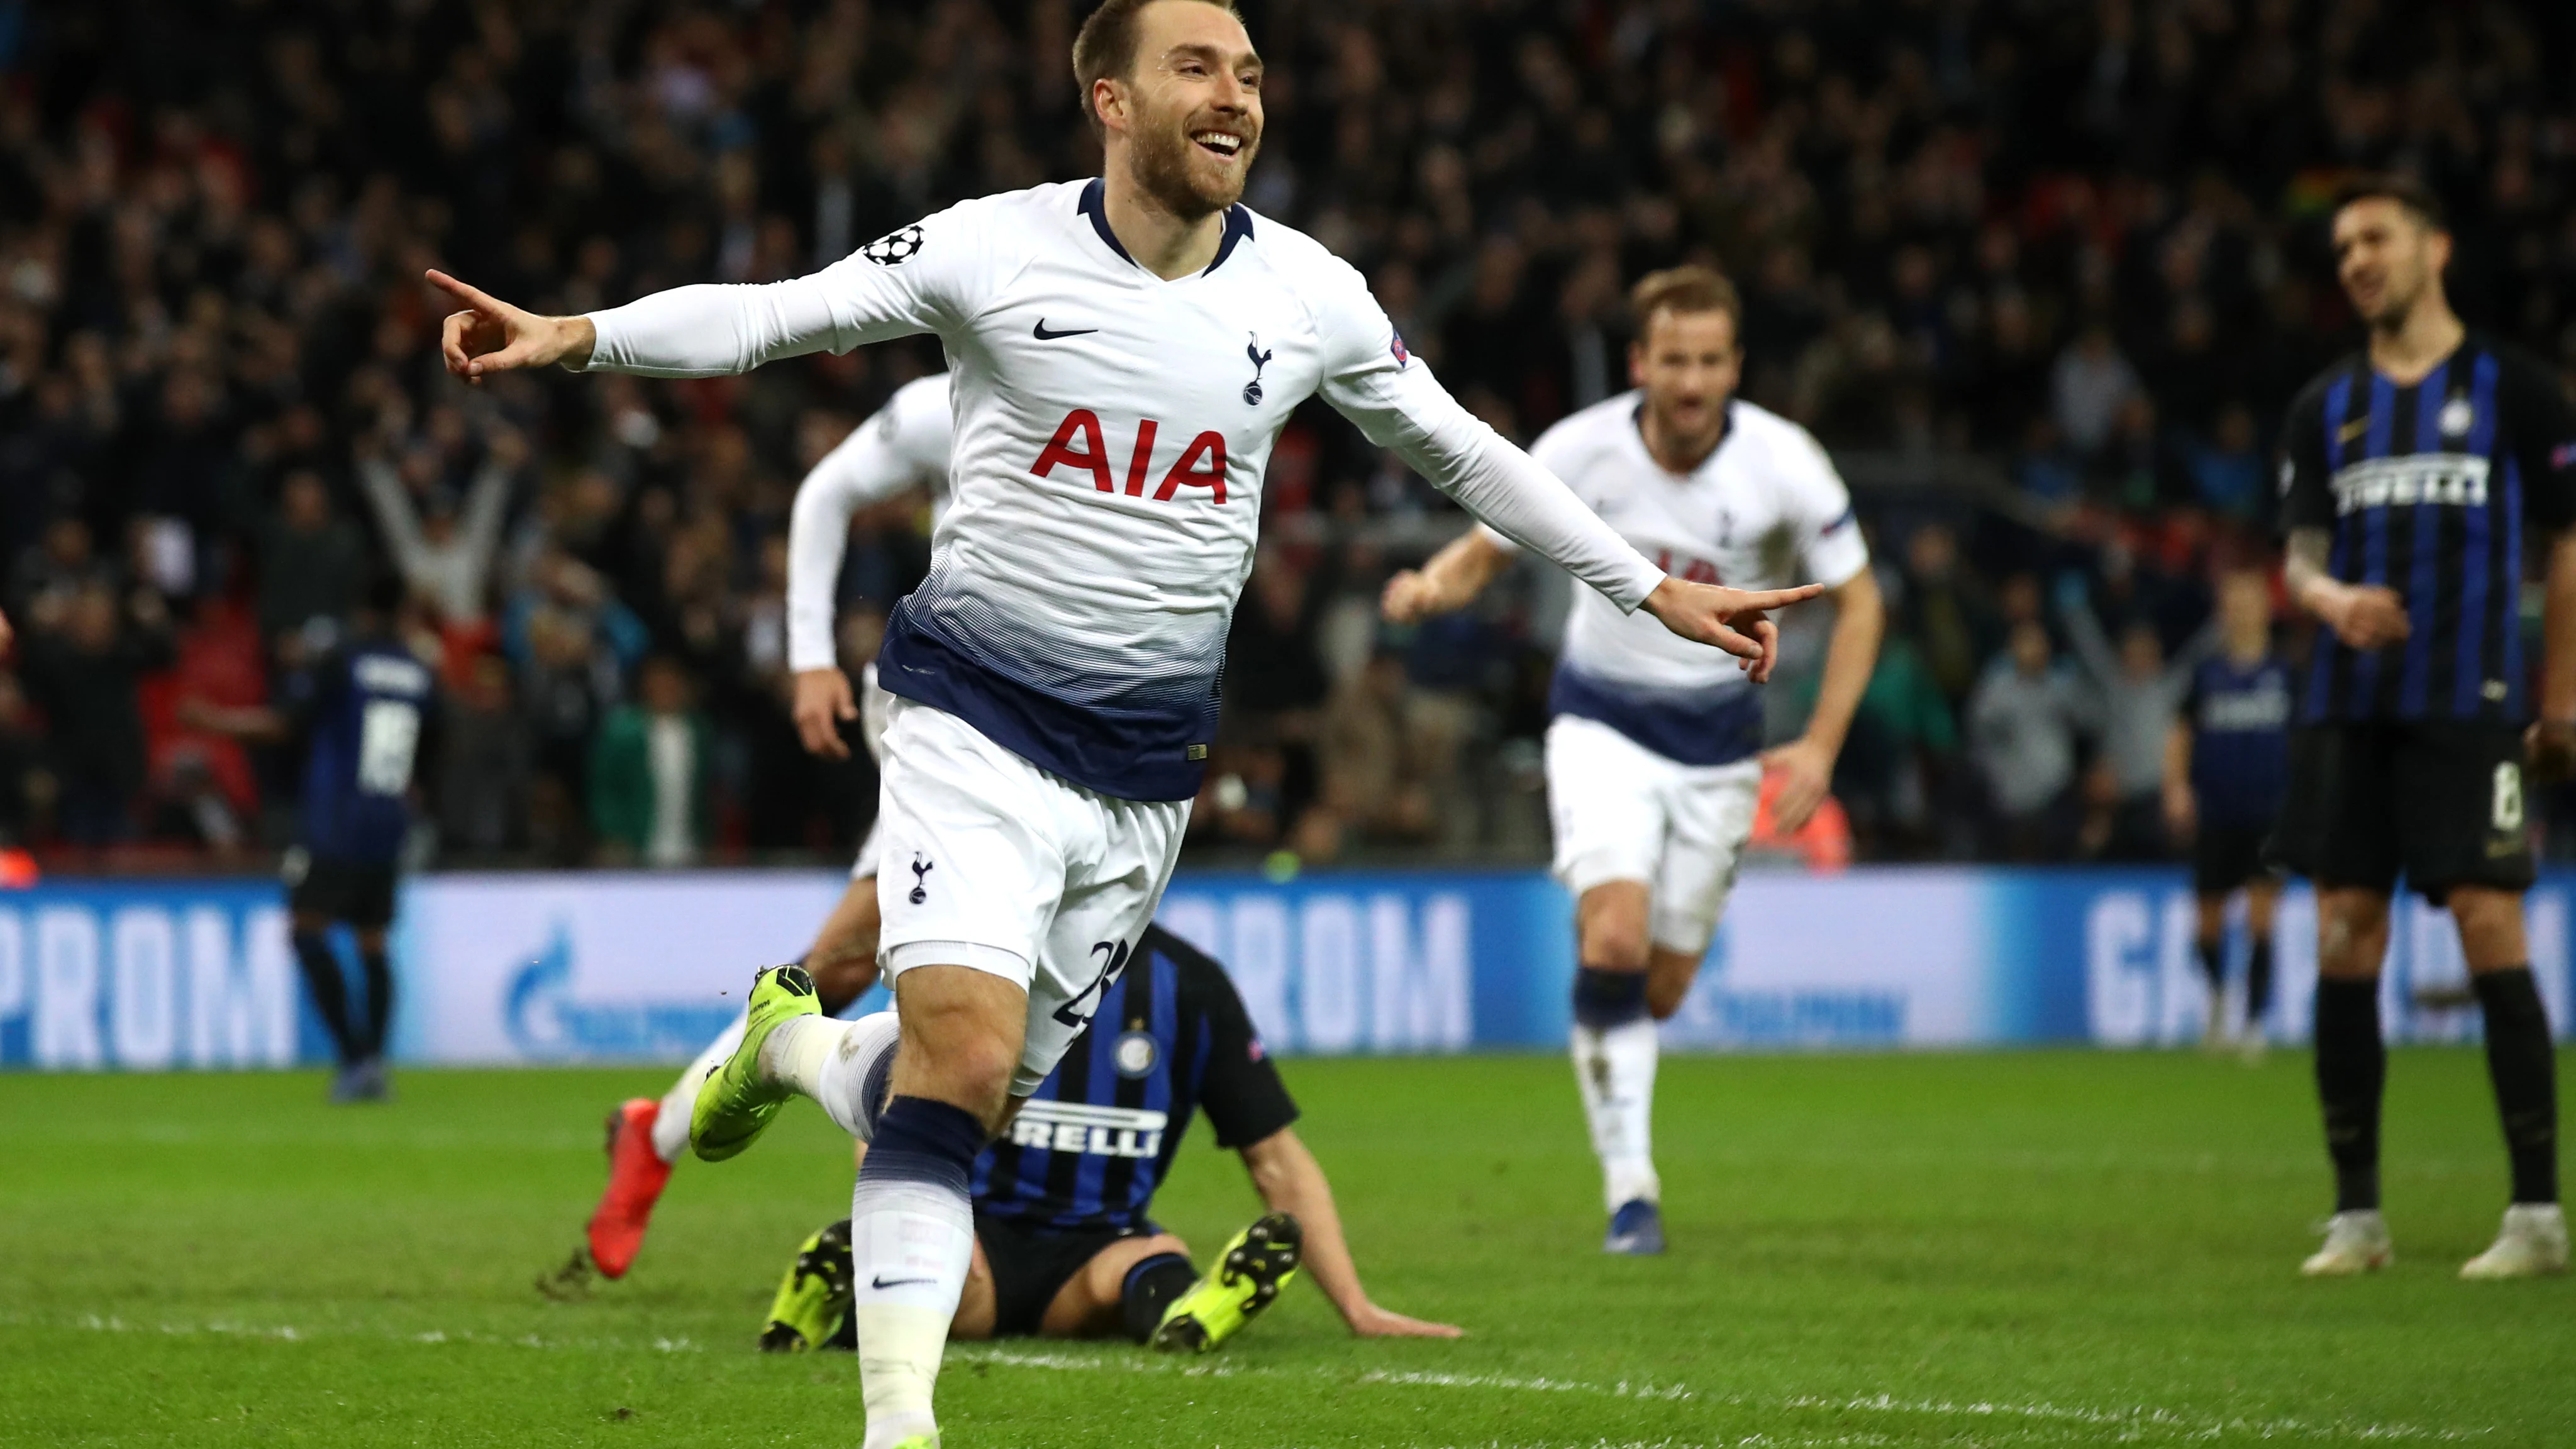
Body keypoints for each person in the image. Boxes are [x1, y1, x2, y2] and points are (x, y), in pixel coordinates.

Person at [433, 2, 1815, 1441]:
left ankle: (788, 1050)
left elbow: (1465, 453)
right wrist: (576, 336)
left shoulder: (1308, 295)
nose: (1238, 97)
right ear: (1110, 98)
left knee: (962, 1098)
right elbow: (774, 313)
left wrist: (1649, 587)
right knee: (962, 1062)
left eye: (1254, 75)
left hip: (1147, 771)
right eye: (1200, 69)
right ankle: (899, 1426)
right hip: (970, 711)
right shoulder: (994, 246)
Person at [1379, 265, 1883, 1255]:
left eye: (1710, 362)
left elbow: (1860, 599)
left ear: (1735, 366)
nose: (1691, 384)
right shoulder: (1584, 447)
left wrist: (1821, 743)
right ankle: (1630, 1192)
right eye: (1674, 361)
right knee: (1611, 940)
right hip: (1601, 722)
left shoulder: (1787, 464)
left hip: (1720, 746)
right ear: (1640, 362)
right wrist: (1434, 587)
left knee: (1656, 990)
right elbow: (1491, 542)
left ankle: (1625, 1118)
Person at [577, 374, 952, 1282]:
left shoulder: (1157, 376)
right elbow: (827, 488)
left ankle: (656, 1133)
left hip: (1069, 723)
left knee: (840, 966)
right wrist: (811, 656)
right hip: (954, 707)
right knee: (936, 964)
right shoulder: (958, 398)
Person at [2273, 174, 2575, 1280]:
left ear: (2433, 246)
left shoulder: (2518, 390)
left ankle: (2537, 1213)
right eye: (2344, 244)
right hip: (2348, 708)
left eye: (2376, 238)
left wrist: (2563, 699)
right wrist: (2328, 601)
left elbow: (2566, 543)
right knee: (2346, 930)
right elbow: (2298, 553)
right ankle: (2358, 1215)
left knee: (2490, 923)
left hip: (2472, 703)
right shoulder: (2326, 405)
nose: (2356, 258)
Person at [757, 924, 1460, 1354]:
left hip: (1095, 1247)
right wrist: (905, 1221)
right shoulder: (986, 970)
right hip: (974, 1227)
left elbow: (1274, 1157)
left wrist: (1358, 1308)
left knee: (1147, 1257)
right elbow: (897, 1107)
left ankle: (1193, 1312)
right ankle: (835, 1295)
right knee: (952, 1284)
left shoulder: (1191, 987)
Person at [182, 574, 436, 1103]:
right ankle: (374, 1062)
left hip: (335, 822)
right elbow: (437, 746)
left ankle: (355, 1057)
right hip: (388, 821)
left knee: (305, 930)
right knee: (373, 940)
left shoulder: (343, 659)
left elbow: (285, 725)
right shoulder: (419, 672)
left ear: (363, 608)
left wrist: (214, 721)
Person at [2162, 569, 2290, 1059]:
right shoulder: (2206, 677)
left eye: (2249, 601)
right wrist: (2176, 788)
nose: (2239, 610)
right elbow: (2181, 733)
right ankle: (2218, 997)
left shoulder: (2284, 676)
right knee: (2207, 927)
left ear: (2266, 609)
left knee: (2261, 921)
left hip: (2268, 811)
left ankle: (2255, 1023)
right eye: (2232, 602)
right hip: (2216, 810)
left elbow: (2302, 743)